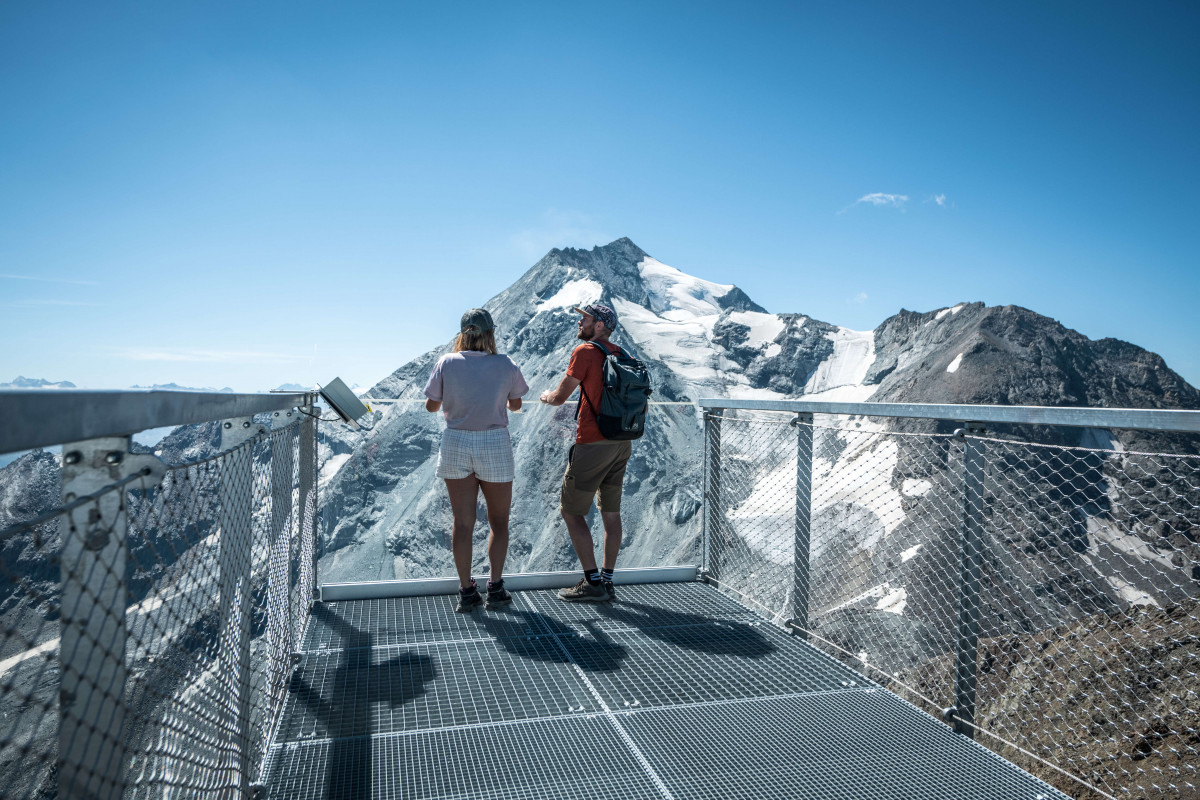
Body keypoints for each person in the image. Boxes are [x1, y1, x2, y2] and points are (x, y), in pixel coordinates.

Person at [424, 308, 529, 612]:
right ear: (490, 333)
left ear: (462, 333)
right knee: (499, 521)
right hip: (494, 442)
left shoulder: (446, 362)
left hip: (456, 441)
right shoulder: (505, 364)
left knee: (463, 522)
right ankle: (495, 590)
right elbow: (517, 403)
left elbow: (432, 406)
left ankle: (467, 591)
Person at [539, 302, 632, 603]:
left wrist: (545, 395)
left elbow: (560, 397)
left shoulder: (586, 352)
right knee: (611, 512)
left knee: (570, 510)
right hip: (621, 443)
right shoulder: (622, 354)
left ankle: (592, 584)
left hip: (593, 443)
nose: (580, 323)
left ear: (600, 325)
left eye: (586, 319)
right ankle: (607, 580)